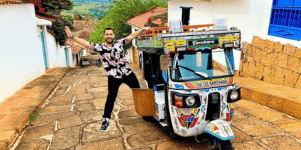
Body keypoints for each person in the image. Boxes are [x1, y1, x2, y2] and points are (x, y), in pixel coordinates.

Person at [64, 26, 149, 131]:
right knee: (111, 98)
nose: (109, 36)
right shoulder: (100, 47)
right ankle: (105, 119)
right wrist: (72, 37)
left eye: (111, 34)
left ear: (114, 35)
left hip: (127, 73)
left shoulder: (120, 43)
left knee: (139, 92)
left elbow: (132, 36)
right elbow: (85, 43)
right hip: (113, 76)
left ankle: (145, 112)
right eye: (107, 34)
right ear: (104, 36)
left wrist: (142, 30)